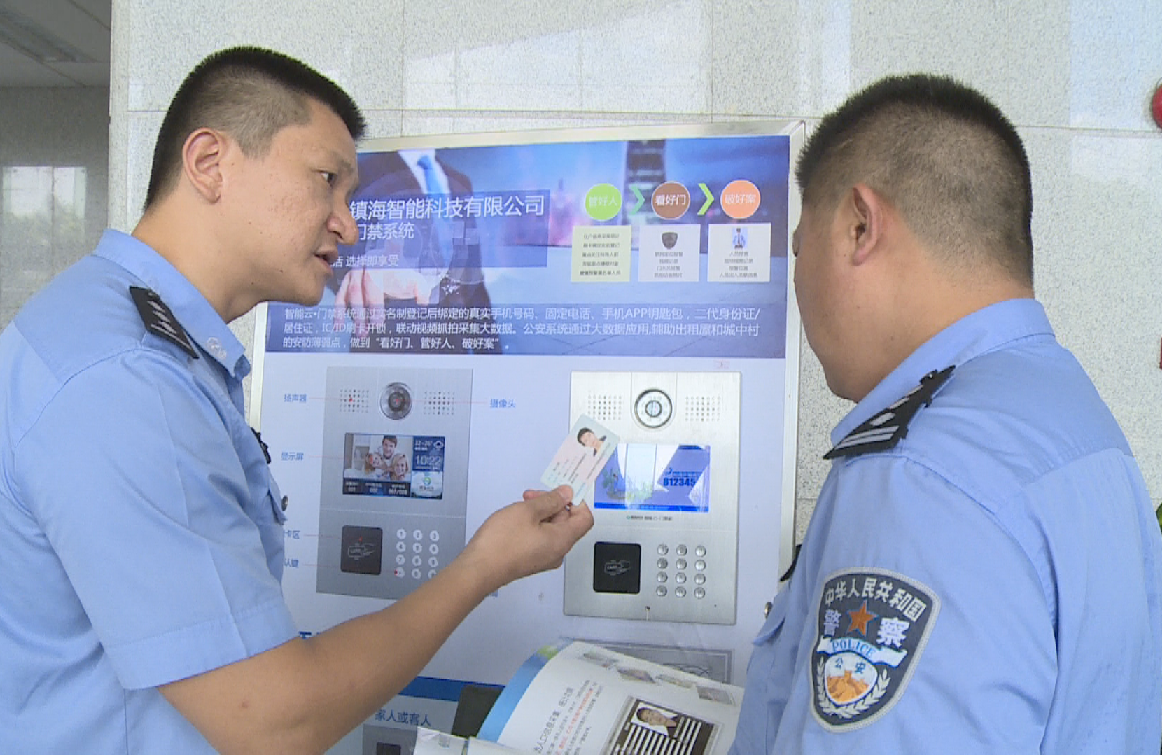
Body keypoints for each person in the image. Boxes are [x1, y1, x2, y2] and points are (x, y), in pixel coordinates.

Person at [0, 46, 593, 754]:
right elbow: (274, 721)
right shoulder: (125, 378)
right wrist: (482, 569)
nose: (348, 224)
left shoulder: (127, 335)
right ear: (210, 163)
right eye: (327, 182)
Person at [729, 74, 1162, 754]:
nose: (797, 282)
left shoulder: (920, 479)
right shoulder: (1072, 416)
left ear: (859, 226)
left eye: (799, 247)